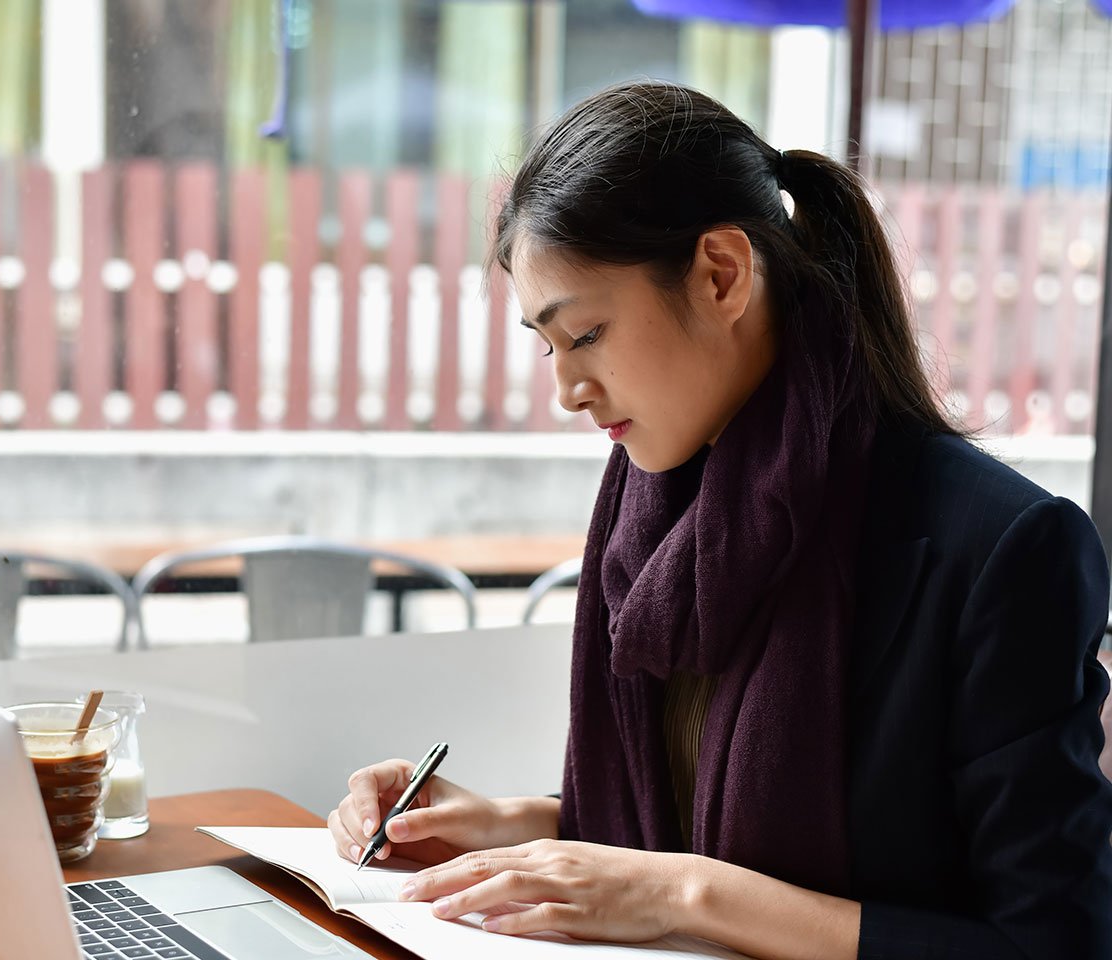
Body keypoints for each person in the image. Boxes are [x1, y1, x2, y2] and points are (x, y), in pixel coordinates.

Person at [329, 82, 1112, 959]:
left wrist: (689, 894)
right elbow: (692, 818)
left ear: (722, 275)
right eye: (547, 345)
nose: (565, 390)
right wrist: (508, 826)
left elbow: (1056, 943)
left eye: (584, 334)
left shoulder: (1003, 550)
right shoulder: (650, 524)